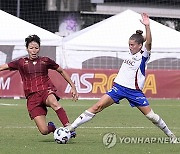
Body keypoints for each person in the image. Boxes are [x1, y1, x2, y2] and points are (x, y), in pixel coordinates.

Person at [66, 13, 177, 143]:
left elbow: (149, 42)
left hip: (134, 91)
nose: (130, 47)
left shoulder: (144, 56)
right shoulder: (130, 53)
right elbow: (141, 40)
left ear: (140, 46)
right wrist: (140, 35)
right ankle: (70, 128)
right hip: (118, 87)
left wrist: (147, 26)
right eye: (129, 44)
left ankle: (171, 136)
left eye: (132, 45)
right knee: (97, 107)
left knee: (151, 116)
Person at [0, 34, 78, 137]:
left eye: (36, 48)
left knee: (54, 103)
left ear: (39, 49)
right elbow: (2, 67)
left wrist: (73, 86)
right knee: (44, 131)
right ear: (27, 49)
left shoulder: (45, 61)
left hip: (45, 91)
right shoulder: (21, 62)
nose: (34, 50)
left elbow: (61, 71)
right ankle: (52, 127)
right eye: (31, 48)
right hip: (32, 98)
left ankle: (68, 127)